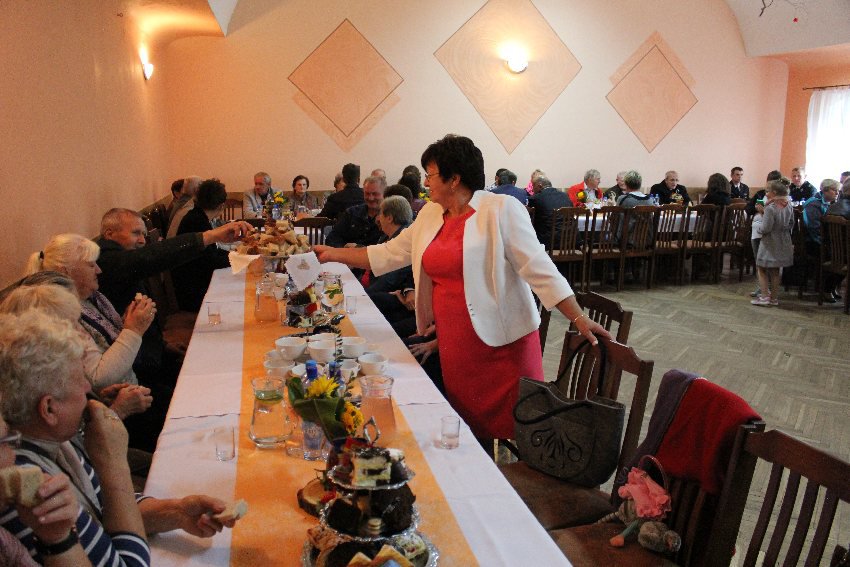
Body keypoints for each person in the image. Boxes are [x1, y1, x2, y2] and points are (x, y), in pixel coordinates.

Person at [314, 134, 610, 444]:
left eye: (430, 174)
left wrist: (579, 318)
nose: (426, 182)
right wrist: (333, 254)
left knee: (518, 431)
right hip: (456, 346)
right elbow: (387, 254)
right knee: (467, 433)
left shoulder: (501, 210)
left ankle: (508, 475)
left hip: (502, 349)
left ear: (454, 179)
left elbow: (540, 270)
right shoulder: (430, 215)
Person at [0, 309, 238, 567]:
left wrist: (176, 512)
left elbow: (110, 510)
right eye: (79, 379)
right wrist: (113, 464)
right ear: (49, 409)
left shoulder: (56, 441)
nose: (88, 388)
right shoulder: (29, 488)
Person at [95, 208, 251, 386]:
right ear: (109, 234)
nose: (142, 241)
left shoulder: (120, 261)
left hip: (151, 353)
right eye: (136, 233)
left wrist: (163, 345)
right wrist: (209, 236)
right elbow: (151, 257)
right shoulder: (106, 261)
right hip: (137, 372)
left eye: (143, 235)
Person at [0, 397, 93, 566]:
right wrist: (113, 464)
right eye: (5, 442)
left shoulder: (5, 542)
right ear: (48, 407)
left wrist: (58, 539)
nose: (14, 455)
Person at [172, 178, 233, 312]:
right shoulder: (198, 222)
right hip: (192, 293)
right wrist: (237, 259)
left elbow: (212, 252)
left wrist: (235, 255)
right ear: (221, 206)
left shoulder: (196, 216)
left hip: (193, 283)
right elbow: (211, 262)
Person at [751, 180, 794, 306]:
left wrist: (759, 227)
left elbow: (766, 228)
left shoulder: (770, 208)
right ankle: (774, 298)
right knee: (776, 270)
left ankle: (764, 296)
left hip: (770, 242)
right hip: (783, 240)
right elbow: (791, 223)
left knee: (761, 268)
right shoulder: (788, 205)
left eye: (768, 191)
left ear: (774, 192)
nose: (766, 193)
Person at [803, 179, 840, 301]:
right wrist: (829, 241)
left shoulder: (831, 203)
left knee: (840, 254)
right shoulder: (813, 203)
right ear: (825, 190)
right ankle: (826, 288)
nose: (837, 193)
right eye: (834, 190)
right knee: (838, 257)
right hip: (812, 242)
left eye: (838, 190)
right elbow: (814, 227)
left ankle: (830, 286)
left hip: (822, 240)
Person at [325, 176, 386, 248]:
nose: (370, 198)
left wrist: (359, 248)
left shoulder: (389, 217)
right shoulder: (352, 213)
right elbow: (332, 239)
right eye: (367, 194)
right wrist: (344, 247)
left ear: (384, 194)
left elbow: (389, 247)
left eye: (375, 194)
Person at [528, 175, 571, 248]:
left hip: (549, 242)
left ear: (539, 186)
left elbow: (531, 219)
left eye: (533, 186)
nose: (532, 189)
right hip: (571, 241)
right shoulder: (565, 196)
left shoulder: (535, 198)